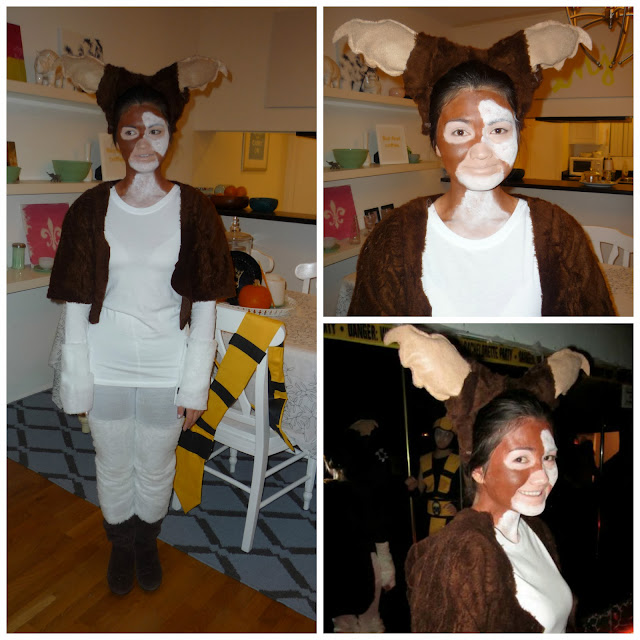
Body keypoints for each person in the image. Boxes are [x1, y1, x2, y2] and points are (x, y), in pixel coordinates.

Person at [47, 55, 235, 595]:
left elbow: (205, 305)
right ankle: (119, 543)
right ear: (117, 138)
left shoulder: (195, 210)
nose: (145, 142)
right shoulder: (90, 208)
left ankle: (145, 540)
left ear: (170, 134)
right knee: (111, 459)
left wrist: (195, 384)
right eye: (132, 131)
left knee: (155, 463)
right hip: (104, 361)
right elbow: (74, 302)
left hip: (166, 365)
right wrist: (76, 377)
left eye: (155, 130)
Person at [333, 19, 615, 316]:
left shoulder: (559, 235)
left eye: (498, 130)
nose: (481, 150)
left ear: (518, 135)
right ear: (436, 144)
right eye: (460, 132)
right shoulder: (393, 239)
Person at [405, 390, 574, 632]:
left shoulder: (536, 529)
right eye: (521, 459)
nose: (543, 477)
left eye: (548, 457)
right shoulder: (458, 556)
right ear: (479, 472)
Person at [406, 416, 461, 537]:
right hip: (428, 518)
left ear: (453, 437)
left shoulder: (459, 460)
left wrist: (459, 506)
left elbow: (469, 492)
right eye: (439, 433)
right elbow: (419, 491)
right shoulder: (424, 460)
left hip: (451, 518)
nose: (442, 438)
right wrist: (412, 488)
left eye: (447, 435)